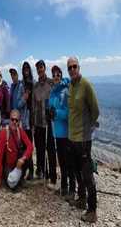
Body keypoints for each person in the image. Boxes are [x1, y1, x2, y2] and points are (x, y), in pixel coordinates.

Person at [67, 57, 100, 223]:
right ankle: (81, 199)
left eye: (74, 66)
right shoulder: (71, 86)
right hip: (72, 138)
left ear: (79, 67)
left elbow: (95, 110)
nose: (72, 69)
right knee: (77, 171)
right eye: (69, 68)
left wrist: (89, 127)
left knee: (87, 174)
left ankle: (92, 210)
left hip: (84, 139)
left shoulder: (86, 85)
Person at [48, 65, 75, 200]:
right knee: (62, 162)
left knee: (68, 162)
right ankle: (63, 187)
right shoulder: (53, 91)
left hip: (65, 132)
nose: (56, 76)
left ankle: (71, 189)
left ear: (61, 75)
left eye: (58, 74)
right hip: (56, 132)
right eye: (54, 75)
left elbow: (69, 113)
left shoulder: (65, 90)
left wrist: (56, 113)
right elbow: (50, 106)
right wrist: (51, 111)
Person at [32, 60, 57, 190]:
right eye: (38, 68)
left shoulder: (51, 83)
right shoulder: (35, 87)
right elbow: (33, 105)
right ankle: (41, 172)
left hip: (48, 123)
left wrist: (53, 111)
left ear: (44, 68)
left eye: (41, 67)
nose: (40, 70)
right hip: (38, 123)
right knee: (40, 150)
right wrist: (33, 124)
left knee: (51, 151)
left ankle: (52, 176)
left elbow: (56, 99)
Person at [0, 110, 34, 190]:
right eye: (12, 119)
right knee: (12, 185)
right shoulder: (3, 133)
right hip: (8, 166)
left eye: (16, 120)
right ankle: (12, 178)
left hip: (18, 163)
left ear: (19, 121)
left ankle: (21, 177)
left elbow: (30, 146)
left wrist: (23, 158)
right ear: (9, 119)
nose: (14, 122)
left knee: (28, 157)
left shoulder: (20, 131)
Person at [21, 61, 35, 180]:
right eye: (24, 68)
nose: (25, 69)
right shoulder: (23, 84)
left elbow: (34, 102)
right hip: (24, 118)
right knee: (25, 145)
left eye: (27, 68)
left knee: (29, 145)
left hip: (30, 118)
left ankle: (31, 170)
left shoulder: (31, 83)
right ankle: (27, 168)